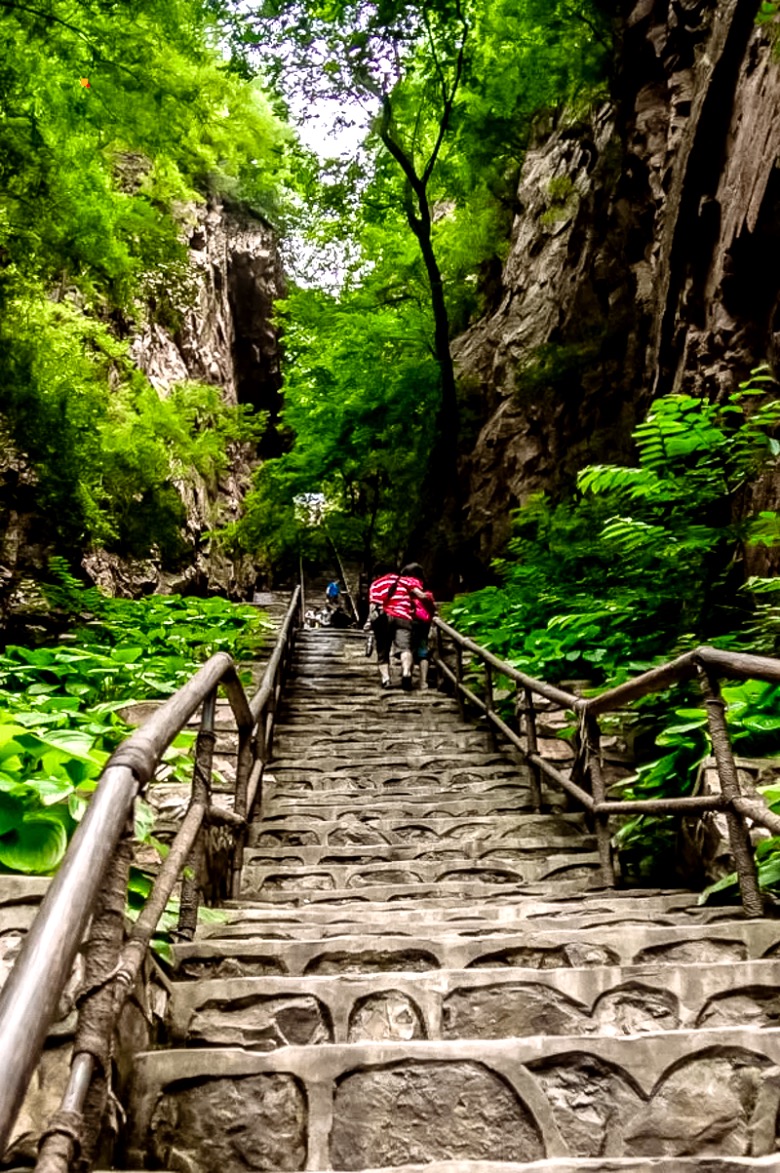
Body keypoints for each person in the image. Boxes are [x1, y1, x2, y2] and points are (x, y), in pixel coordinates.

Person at [400, 562, 436, 690]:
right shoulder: (425, 590)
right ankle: (423, 682)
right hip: (423, 622)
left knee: (407, 648)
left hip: (408, 620)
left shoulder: (403, 587)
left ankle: (406, 672)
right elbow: (432, 608)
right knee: (423, 651)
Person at [367, 563, 398, 689]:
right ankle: (408, 672)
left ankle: (386, 678)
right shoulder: (402, 581)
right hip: (401, 616)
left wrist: (369, 622)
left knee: (382, 649)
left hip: (382, 618)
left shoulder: (376, 584)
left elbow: (373, 606)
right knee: (405, 646)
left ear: (378, 574)